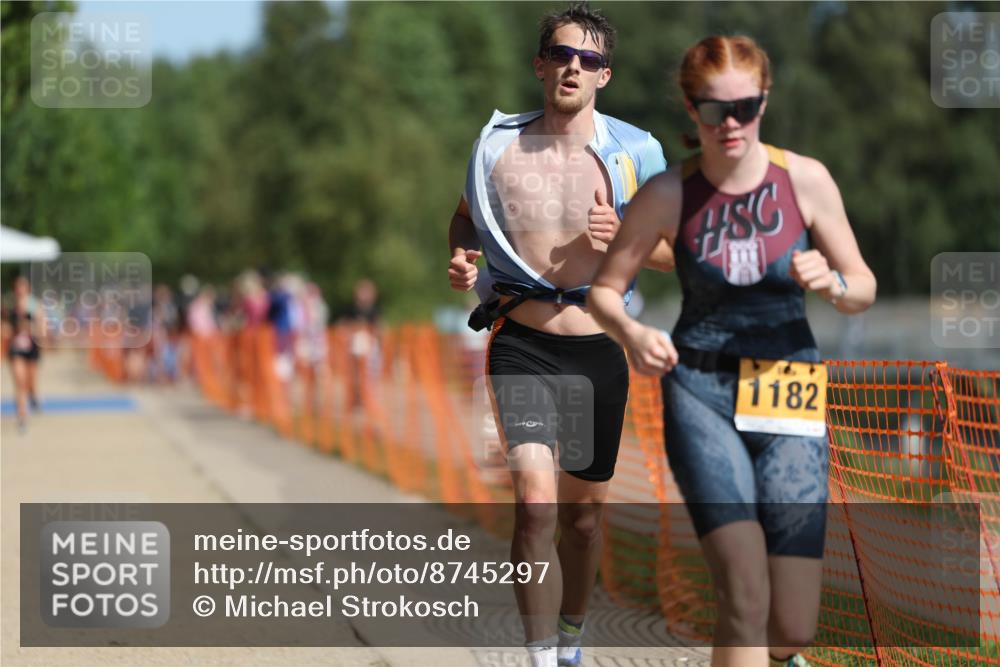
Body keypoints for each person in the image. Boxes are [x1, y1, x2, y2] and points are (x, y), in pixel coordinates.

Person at [587, 35, 876, 667]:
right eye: (716, 110)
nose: (732, 124)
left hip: (790, 389)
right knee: (743, 593)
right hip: (701, 392)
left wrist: (834, 284)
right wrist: (634, 335)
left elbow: (864, 287)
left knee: (792, 628)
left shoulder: (805, 180)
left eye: (746, 107)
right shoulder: (667, 195)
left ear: (764, 101)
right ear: (692, 111)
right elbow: (604, 293)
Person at [447, 4, 672, 666]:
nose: (576, 66)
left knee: (581, 519)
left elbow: (674, 251)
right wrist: (461, 255)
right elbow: (463, 219)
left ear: (606, 75)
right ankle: (541, 654)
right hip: (521, 344)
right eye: (564, 54)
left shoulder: (635, 152)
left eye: (591, 59)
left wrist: (623, 244)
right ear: (541, 64)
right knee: (537, 507)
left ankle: (573, 634)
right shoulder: (497, 146)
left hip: (598, 348)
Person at [5, 275, 45, 433]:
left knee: (30, 384)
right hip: (16, 349)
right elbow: (6, 327)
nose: (20, 290)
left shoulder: (34, 305)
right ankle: (22, 417)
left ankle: (34, 397)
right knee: (20, 383)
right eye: (17, 286)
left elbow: (42, 328)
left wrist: (30, 324)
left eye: (23, 286)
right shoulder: (10, 305)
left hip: (31, 348)